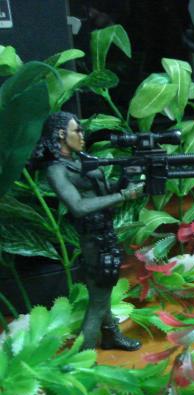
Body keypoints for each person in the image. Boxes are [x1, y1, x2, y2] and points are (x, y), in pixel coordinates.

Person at [33, 112, 144, 350]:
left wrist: (126, 179)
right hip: (93, 238)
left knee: (102, 291)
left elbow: (105, 194)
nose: (82, 135)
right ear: (61, 134)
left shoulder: (80, 161)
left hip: (105, 231)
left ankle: (111, 336)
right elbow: (78, 206)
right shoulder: (56, 170)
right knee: (98, 300)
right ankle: (83, 356)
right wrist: (123, 195)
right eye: (77, 130)